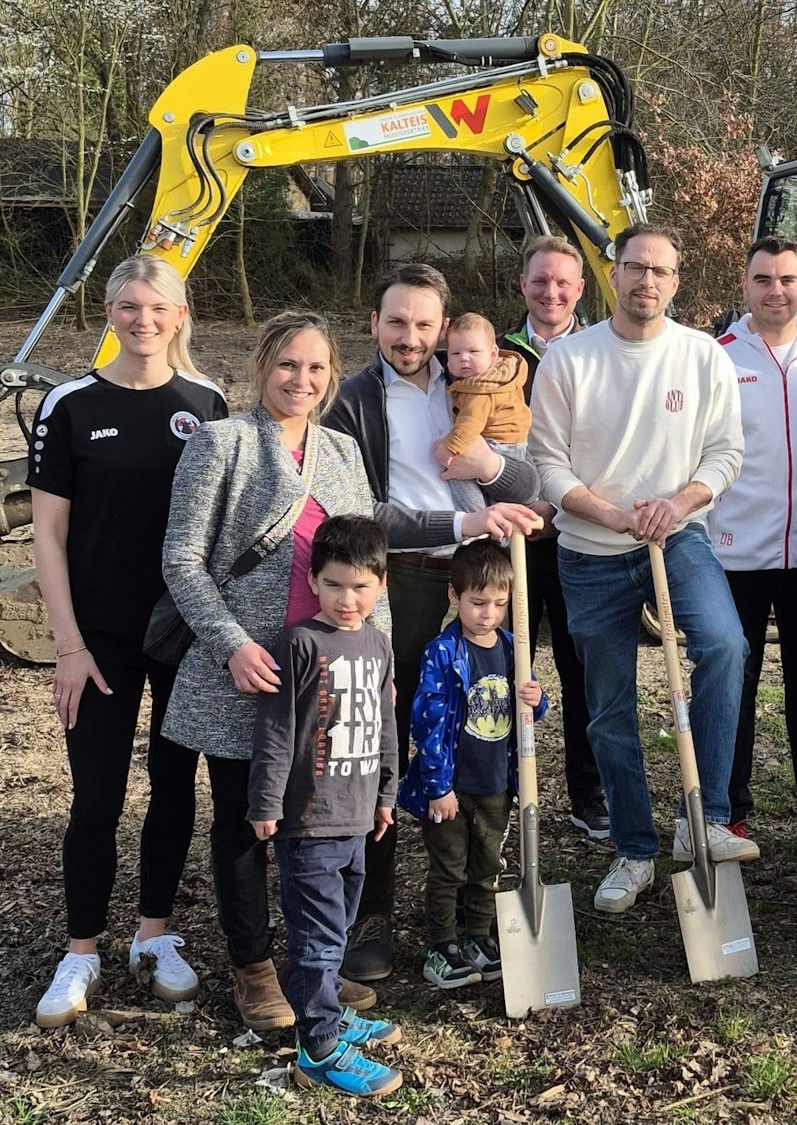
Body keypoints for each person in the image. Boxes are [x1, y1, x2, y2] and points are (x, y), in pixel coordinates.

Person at [163, 311, 538, 1030]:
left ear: (332, 376)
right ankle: (255, 969)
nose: (301, 380)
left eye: (315, 369)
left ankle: (317, 968)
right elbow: (182, 559)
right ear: (262, 365)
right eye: (287, 365)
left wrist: (384, 659)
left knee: (324, 832)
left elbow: (372, 560)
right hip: (257, 670)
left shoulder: (338, 448)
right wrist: (232, 644)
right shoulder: (223, 444)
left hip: (338, 685)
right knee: (250, 823)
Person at [528, 222, 757, 915]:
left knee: (725, 643)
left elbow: (725, 452)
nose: (646, 281)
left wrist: (679, 502)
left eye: (660, 270)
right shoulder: (569, 360)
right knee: (608, 708)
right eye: (635, 268)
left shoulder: (702, 357)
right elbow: (548, 463)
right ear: (614, 273)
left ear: (676, 281)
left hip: (678, 538)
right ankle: (635, 845)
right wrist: (611, 513)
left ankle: (704, 818)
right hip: (590, 553)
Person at [325, 263, 544, 985]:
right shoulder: (351, 401)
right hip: (397, 590)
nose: (411, 337)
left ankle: (466, 906)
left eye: (425, 324)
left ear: (445, 329)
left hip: (475, 587)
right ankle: (373, 907)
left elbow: (528, 488)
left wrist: (487, 465)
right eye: (397, 322)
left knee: (481, 730)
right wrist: (463, 516)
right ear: (373, 325)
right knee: (379, 741)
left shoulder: (475, 386)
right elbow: (361, 513)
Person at [28, 254, 228, 1028]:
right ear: (107, 313)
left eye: (157, 308)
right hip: (100, 640)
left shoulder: (206, 401)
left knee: (176, 789)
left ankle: (155, 933)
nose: (142, 320)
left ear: (180, 316)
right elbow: (47, 535)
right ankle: (81, 949)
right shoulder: (69, 404)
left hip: (183, 634)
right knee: (97, 796)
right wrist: (68, 644)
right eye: (127, 306)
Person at [248, 515, 405, 1098]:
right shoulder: (298, 643)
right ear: (314, 581)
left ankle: (330, 1010)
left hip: (359, 816)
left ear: (381, 586)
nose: (347, 598)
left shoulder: (378, 643)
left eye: (360, 586)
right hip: (308, 820)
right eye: (335, 584)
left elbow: (386, 724)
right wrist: (266, 801)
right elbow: (276, 730)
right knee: (315, 936)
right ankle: (317, 1048)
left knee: (337, 928)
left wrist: (388, 792)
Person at [710, 236, 797, 842]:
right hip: (735, 552)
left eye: (787, 279)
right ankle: (730, 809)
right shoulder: (717, 356)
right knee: (734, 682)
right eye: (763, 279)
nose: (776, 291)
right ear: (745, 285)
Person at [396, 541, 549, 988]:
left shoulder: (512, 647)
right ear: (454, 597)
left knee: (487, 865)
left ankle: (478, 937)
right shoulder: (442, 653)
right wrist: (437, 787)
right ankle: (442, 945)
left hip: (496, 781)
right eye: (478, 602)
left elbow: (530, 707)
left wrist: (537, 702)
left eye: (500, 604)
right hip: (451, 785)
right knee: (449, 867)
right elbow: (426, 722)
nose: (489, 613)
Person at [499, 237, 609, 844]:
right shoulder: (496, 354)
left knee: (580, 667)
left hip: (576, 532)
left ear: (580, 290)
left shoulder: (600, 352)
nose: (552, 292)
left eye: (564, 283)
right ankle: (508, 785)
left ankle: (587, 794)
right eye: (541, 281)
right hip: (513, 534)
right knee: (509, 665)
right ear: (523, 285)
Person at [436, 311, 533, 512]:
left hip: (497, 444)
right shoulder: (495, 377)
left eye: (473, 352)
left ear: (493, 354)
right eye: (455, 353)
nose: (464, 359)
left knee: (456, 473)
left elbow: (470, 423)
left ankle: (475, 519)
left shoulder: (480, 388)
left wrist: (450, 448)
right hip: (514, 444)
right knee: (503, 502)